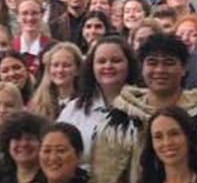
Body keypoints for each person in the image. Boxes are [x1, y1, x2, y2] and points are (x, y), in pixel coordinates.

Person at [92, 34, 197, 183]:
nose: (159, 70)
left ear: (184, 68)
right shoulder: (121, 117)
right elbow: (108, 178)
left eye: (169, 63)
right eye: (152, 63)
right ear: (141, 67)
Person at [58, 36, 141, 164]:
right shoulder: (73, 110)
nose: (108, 66)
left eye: (116, 60)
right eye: (101, 61)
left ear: (129, 64)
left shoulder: (144, 106)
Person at [28, 41, 83, 120]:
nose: (60, 70)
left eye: (66, 65)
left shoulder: (86, 102)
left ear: (77, 69)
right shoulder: (37, 104)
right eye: (55, 65)